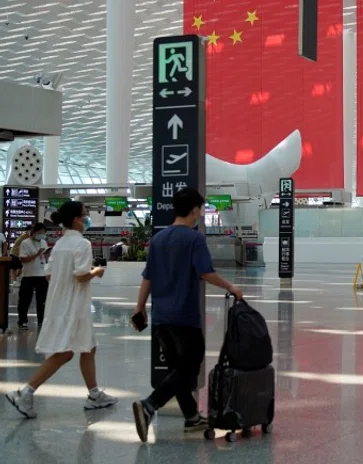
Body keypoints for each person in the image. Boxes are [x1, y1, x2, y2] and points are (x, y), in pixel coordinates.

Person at [132, 188, 244, 443]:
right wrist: (231, 287)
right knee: (189, 368)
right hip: (184, 317)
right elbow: (205, 273)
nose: (201, 213)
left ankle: (192, 417)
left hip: (161, 317)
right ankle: (149, 405)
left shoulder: (159, 239)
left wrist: (139, 308)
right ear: (194, 209)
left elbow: (147, 277)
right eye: (201, 209)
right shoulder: (194, 239)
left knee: (177, 369)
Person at [5, 201, 118, 419]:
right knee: (65, 353)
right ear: (76, 219)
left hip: (60, 303)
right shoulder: (82, 244)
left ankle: (94, 394)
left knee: (88, 347)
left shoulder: (59, 245)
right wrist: (97, 271)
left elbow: (49, 273)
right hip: (75, 305)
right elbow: (81, 275)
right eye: (86, 214)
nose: (87, 218)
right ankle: (25, 393)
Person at [17, 223, 50, 331]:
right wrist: (36, 254)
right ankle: (22, 321)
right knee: (25, 300)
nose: (42, 235)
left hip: (41, 275)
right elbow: (23, 259)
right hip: (28, 275)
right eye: (40, 233)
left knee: (42, 300)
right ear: (34, 232)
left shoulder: (43, 242)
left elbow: (45, 259)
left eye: (43, 233)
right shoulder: (25, 243)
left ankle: (41, 320)